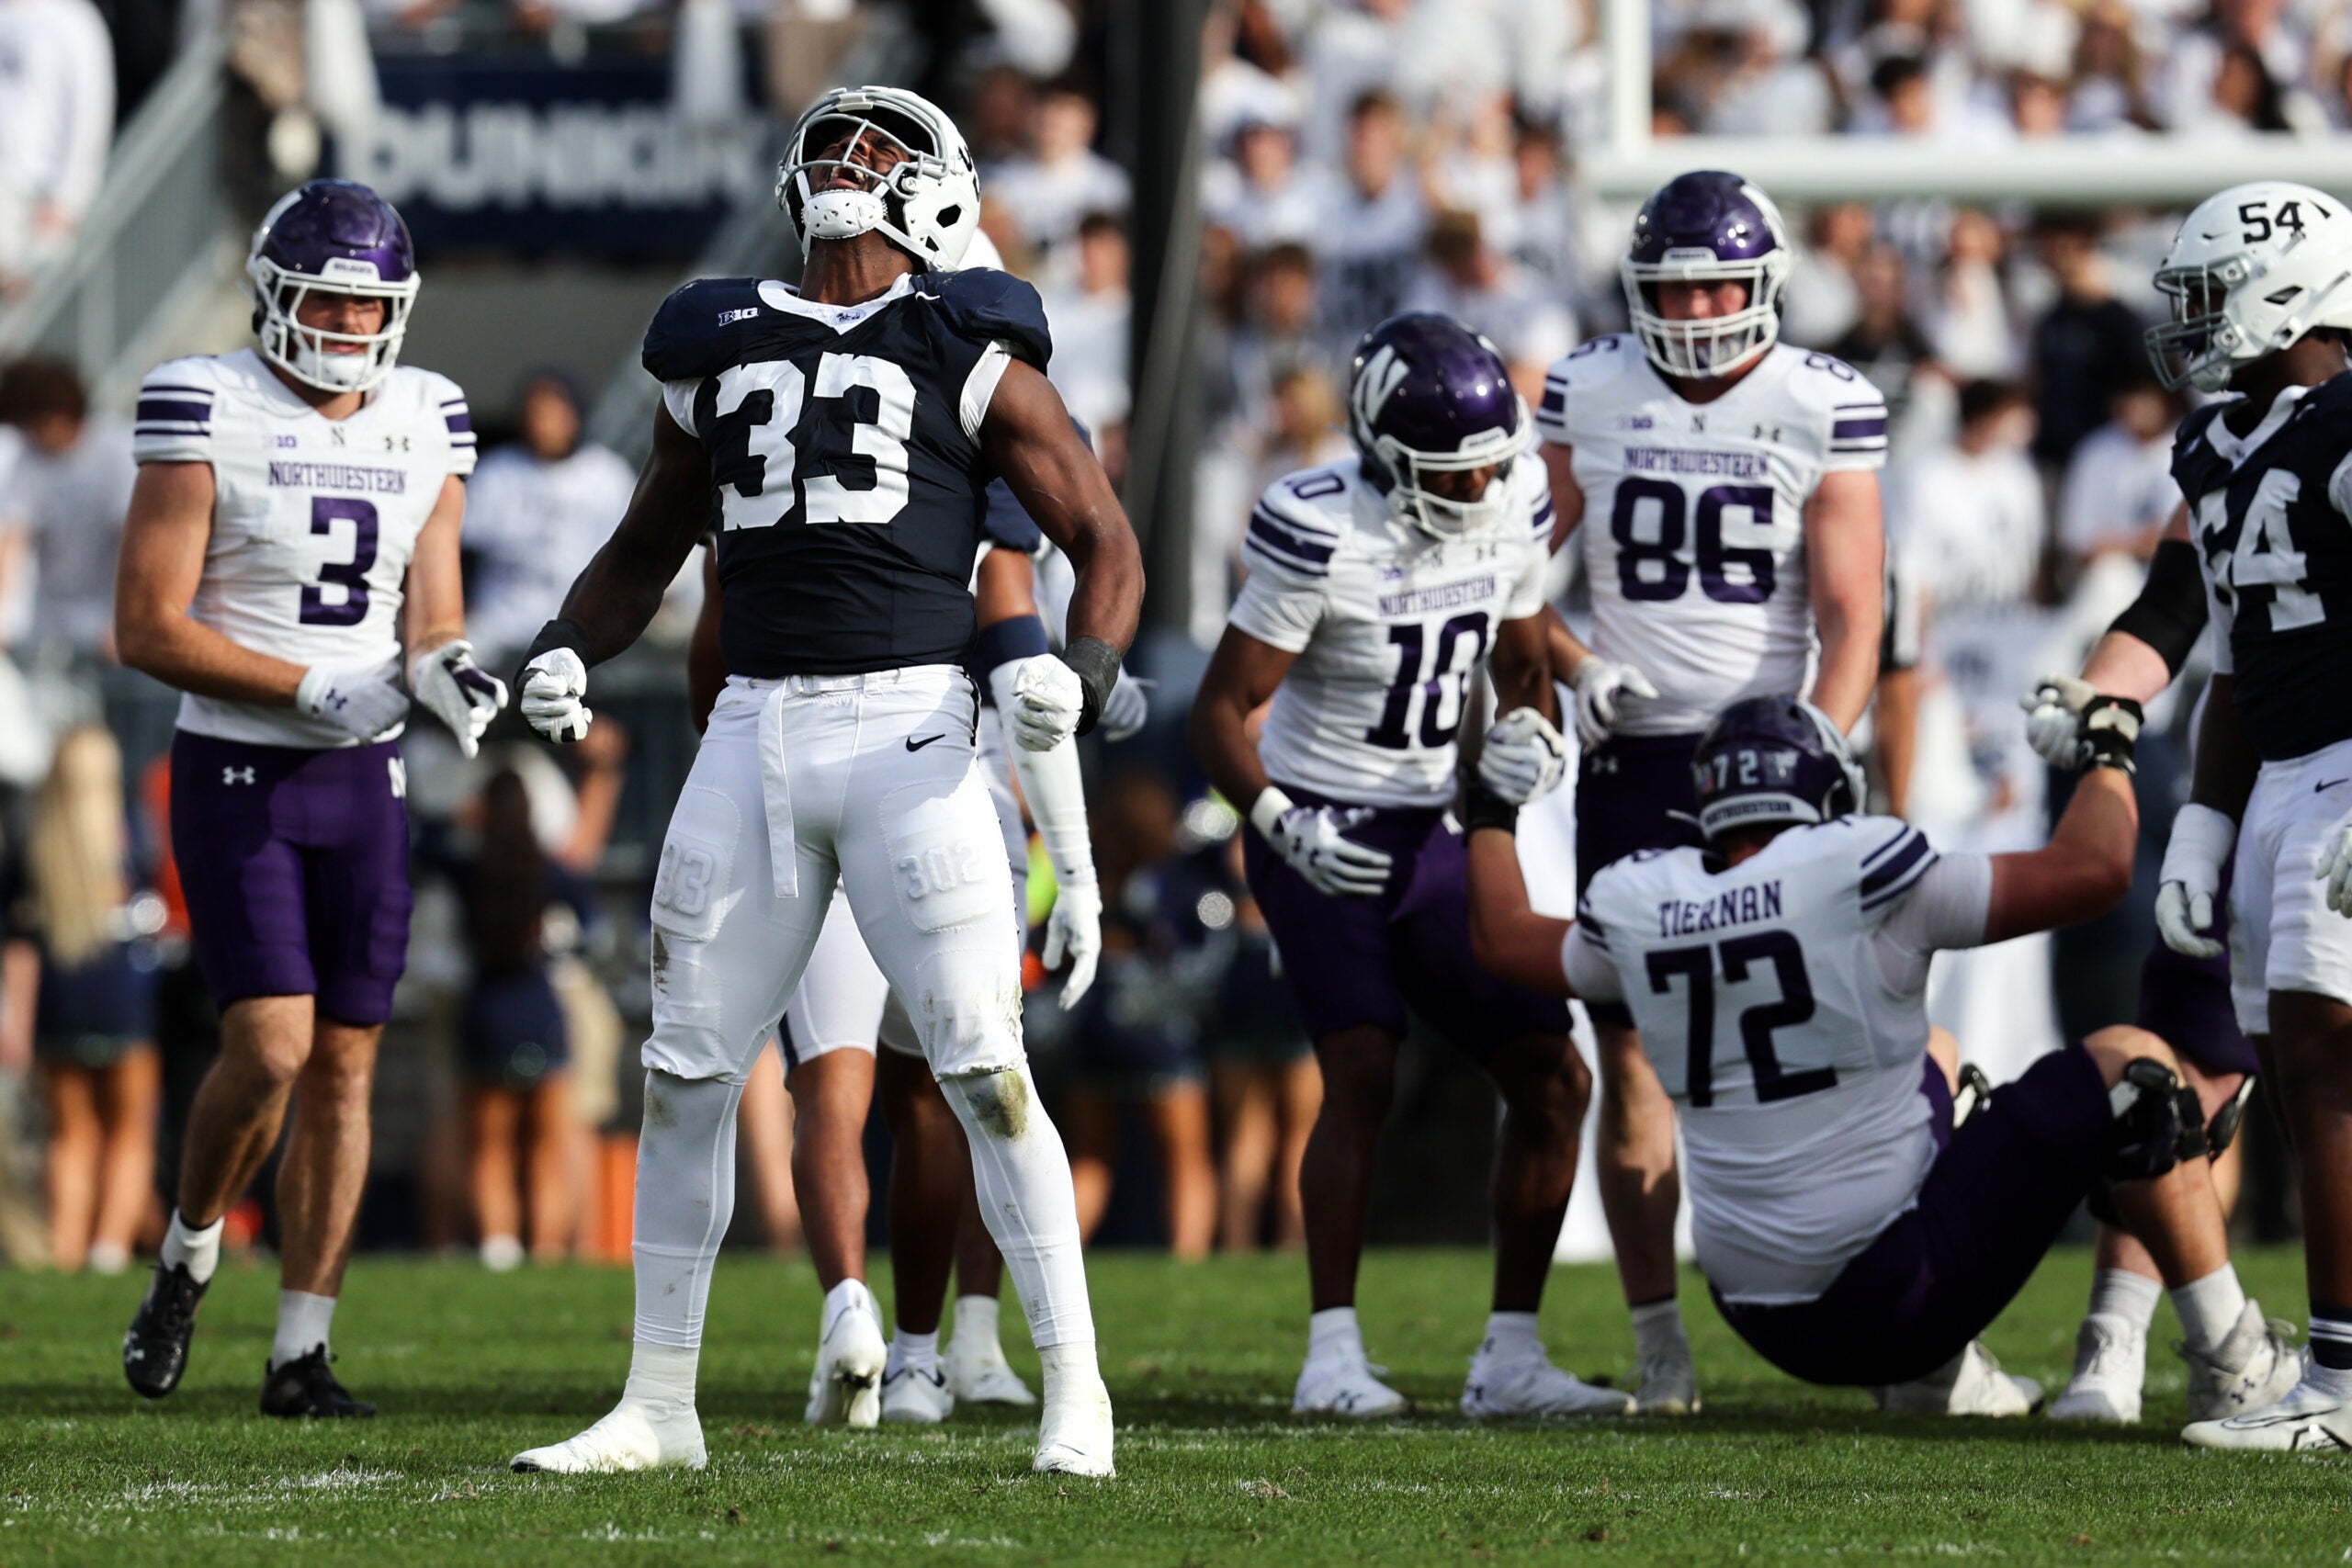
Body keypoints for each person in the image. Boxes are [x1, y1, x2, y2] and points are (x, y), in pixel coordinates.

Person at [505, 85, 1142, 1478]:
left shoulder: (969, 337)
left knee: (982, 1065)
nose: (858, 173)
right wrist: (561, 642)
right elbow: (642, 549)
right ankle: (658, 1405)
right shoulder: (718, 341)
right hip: (754, 728)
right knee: (684, 1074)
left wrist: (1083, 674)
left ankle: (1074, 1396)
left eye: (872, 154)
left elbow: (1106, 536)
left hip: (917, 730)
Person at [1465, 694, 2300, 1423]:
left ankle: (1931, 1377)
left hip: (1755, 1311)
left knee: (1934, 1053)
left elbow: (1501, 937)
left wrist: (1491, 807)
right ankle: (2236, 1359)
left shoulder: (1651, 900)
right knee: (2135, 1071)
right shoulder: (1858, 871)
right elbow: (2097, 868)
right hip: (1892, 1293)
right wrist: (2110, 747)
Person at [112, 179, 508, 1416]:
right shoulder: (206, 399)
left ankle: (301, 1348)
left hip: (363, 775)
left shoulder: (428, 414)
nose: (344, 324)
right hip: (240, 763)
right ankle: (188, 1248)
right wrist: (305, 686)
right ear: (276, 293)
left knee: (346, 1058)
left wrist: (456, 677)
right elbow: (145, 624)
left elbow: (432, 613)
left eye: (365, 302)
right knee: (271, 1042)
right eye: (325, 297)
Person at [1190, 310, 1623, 1421]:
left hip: (1434, 824)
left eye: (1493, 463)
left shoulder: (1514, 501)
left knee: (1552, 1075)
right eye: (1456, 470)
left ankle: (1511, 1358)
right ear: (1385, 455)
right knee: (1363, 1071)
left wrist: (1533, 733)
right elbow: (1222, 713)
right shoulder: (1319, 526)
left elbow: (1522, 666)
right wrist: (1279, 824)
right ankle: (1331, 1352)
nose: (1484, 488)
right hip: (1319, 826)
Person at [1531, 170, 1886, 1414]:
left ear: (1766, 283)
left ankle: (1899, 1321)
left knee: (1840, 1046)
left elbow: (1855, 610)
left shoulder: (1818, 399)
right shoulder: (1592, 385)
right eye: (1674, 287)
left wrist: (1818, 746)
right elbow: (1516, 567)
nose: (1697, 309)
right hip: (1635, 756)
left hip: (1779, 759)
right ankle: (1656, 1339)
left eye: (1720, 283)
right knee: (1631, 1056)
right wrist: (1577, 664)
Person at [2116, 181, 2352, 1451]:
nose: (2193, 324)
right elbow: (2238, 655)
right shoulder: (2216, 444)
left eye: (2209, 297)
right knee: (2298, 1062)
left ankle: (2344, 1381)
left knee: (2330, 1062)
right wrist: (2204, 822)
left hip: (2348, 770)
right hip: (2285, 771)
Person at [0, 726, 163, 1274]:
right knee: (129, 1130)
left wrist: (15, 1022)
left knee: (70, 1136)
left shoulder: (32, 838)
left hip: (59, 998)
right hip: (120, 995)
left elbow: (18, 943)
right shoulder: (131, 833)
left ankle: (66, 1249)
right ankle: (108, 1249)